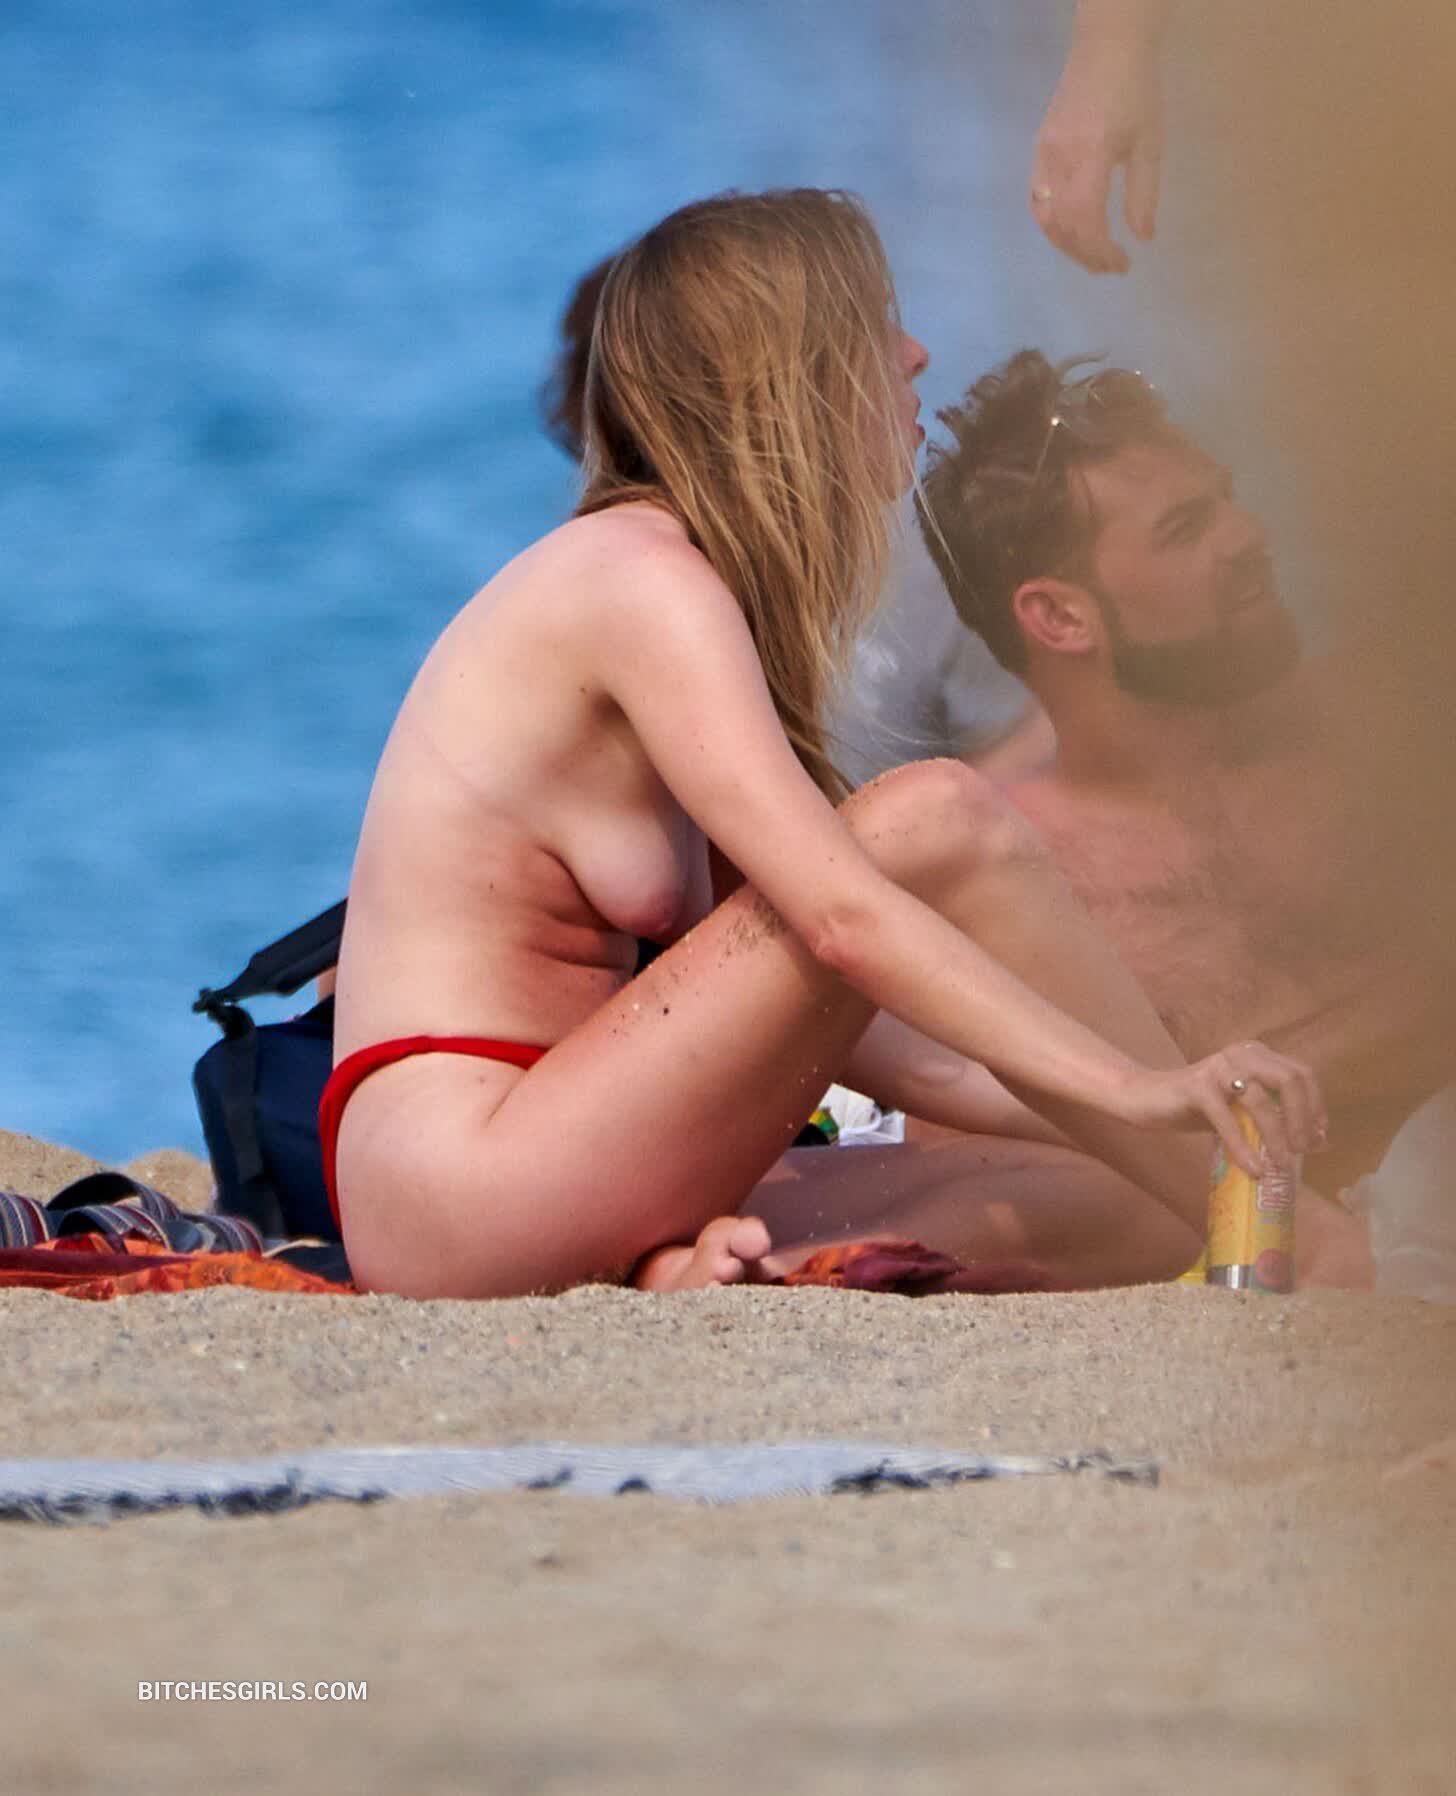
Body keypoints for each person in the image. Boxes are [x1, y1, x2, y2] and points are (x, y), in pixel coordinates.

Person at [323, 188, 1325, 1302]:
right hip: (467, 1183)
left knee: (1122, 1199)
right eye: (876, 328)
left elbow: (861, 1032)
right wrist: (1137, 1090)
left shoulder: (685, 591)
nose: (916, 353)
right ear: (794, 380)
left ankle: (727, 1276)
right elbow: (845, 924)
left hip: (570, 1153)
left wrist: (1136, 1107)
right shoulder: (641, 584)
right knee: (934, 816)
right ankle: (1303, 1242)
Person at [917, 350, 1454, 1239]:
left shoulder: (1394, 735)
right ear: (1061, 617)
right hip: (1272, 1255)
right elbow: (975, 1168)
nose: (1248, 536)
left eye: (1227, 499)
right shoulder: (1004, 874)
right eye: (1185, 529)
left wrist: (1236, 1088)